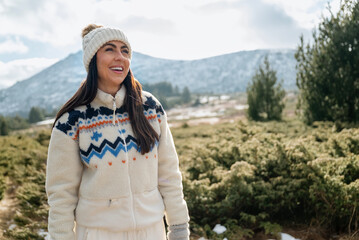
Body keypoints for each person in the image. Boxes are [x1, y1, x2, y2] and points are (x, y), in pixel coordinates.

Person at [45, 24, 190, 240]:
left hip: (151, 231)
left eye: (125, 51)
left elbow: (169, 173)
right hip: (98, 234)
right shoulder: (72, 121)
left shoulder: (150, 107)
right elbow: (61, 194)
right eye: (110, 49)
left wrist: (178, 227)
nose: (120, 57)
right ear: (93, 59)